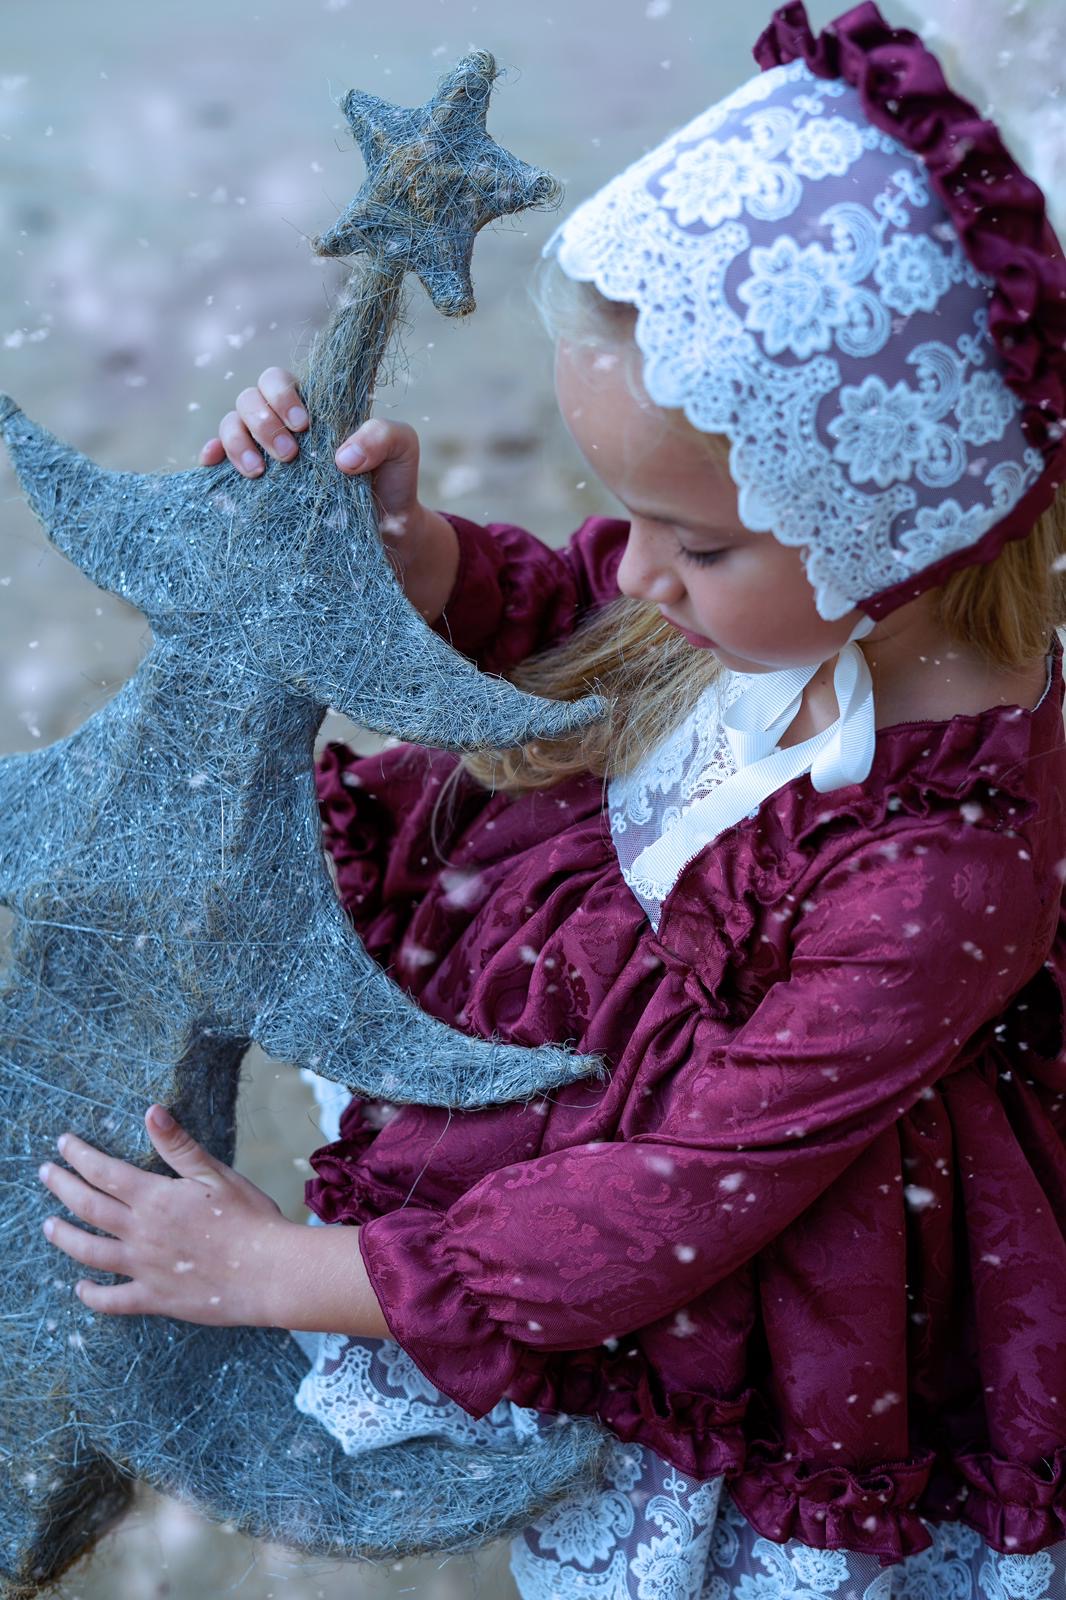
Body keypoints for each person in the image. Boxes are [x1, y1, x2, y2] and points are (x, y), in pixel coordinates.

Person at [37, 3, 1066, 1593]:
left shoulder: (939, 881)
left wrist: (279, 1271)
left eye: (697, 541)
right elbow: (582, 618)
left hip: (733, 1261)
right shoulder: (782, 601)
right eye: (627, 510)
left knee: (664, 1534)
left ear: (892, 532)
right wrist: (415, 554)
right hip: (636, 1128)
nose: (640, 568)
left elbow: (678, 1199)